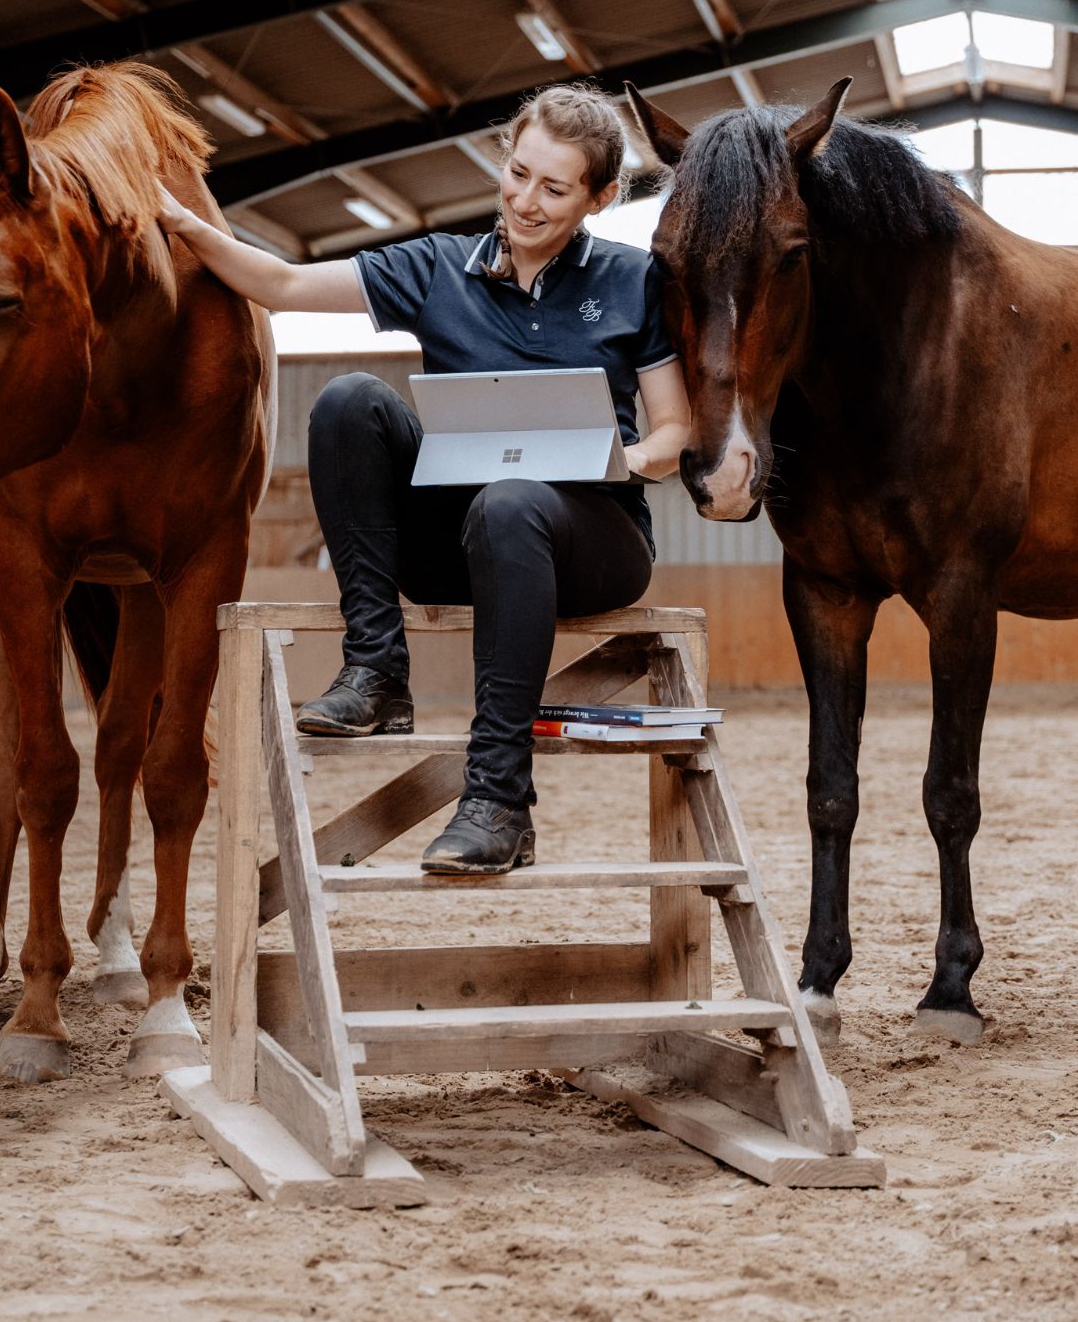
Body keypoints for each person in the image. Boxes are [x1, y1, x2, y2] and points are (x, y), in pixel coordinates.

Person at [157, 84, 692, 874]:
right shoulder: (440, 266)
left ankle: (500, 802)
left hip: (591, 540)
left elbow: (676, 432)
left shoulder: (633, 279)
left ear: (600, 197)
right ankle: (377, 669)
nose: (526, 201)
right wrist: (185, 224)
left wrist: (624, 459)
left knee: (514, 504)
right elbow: (284, 285)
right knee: (351, 402)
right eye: (518, 173)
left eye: (555, 188)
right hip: (464, 537)